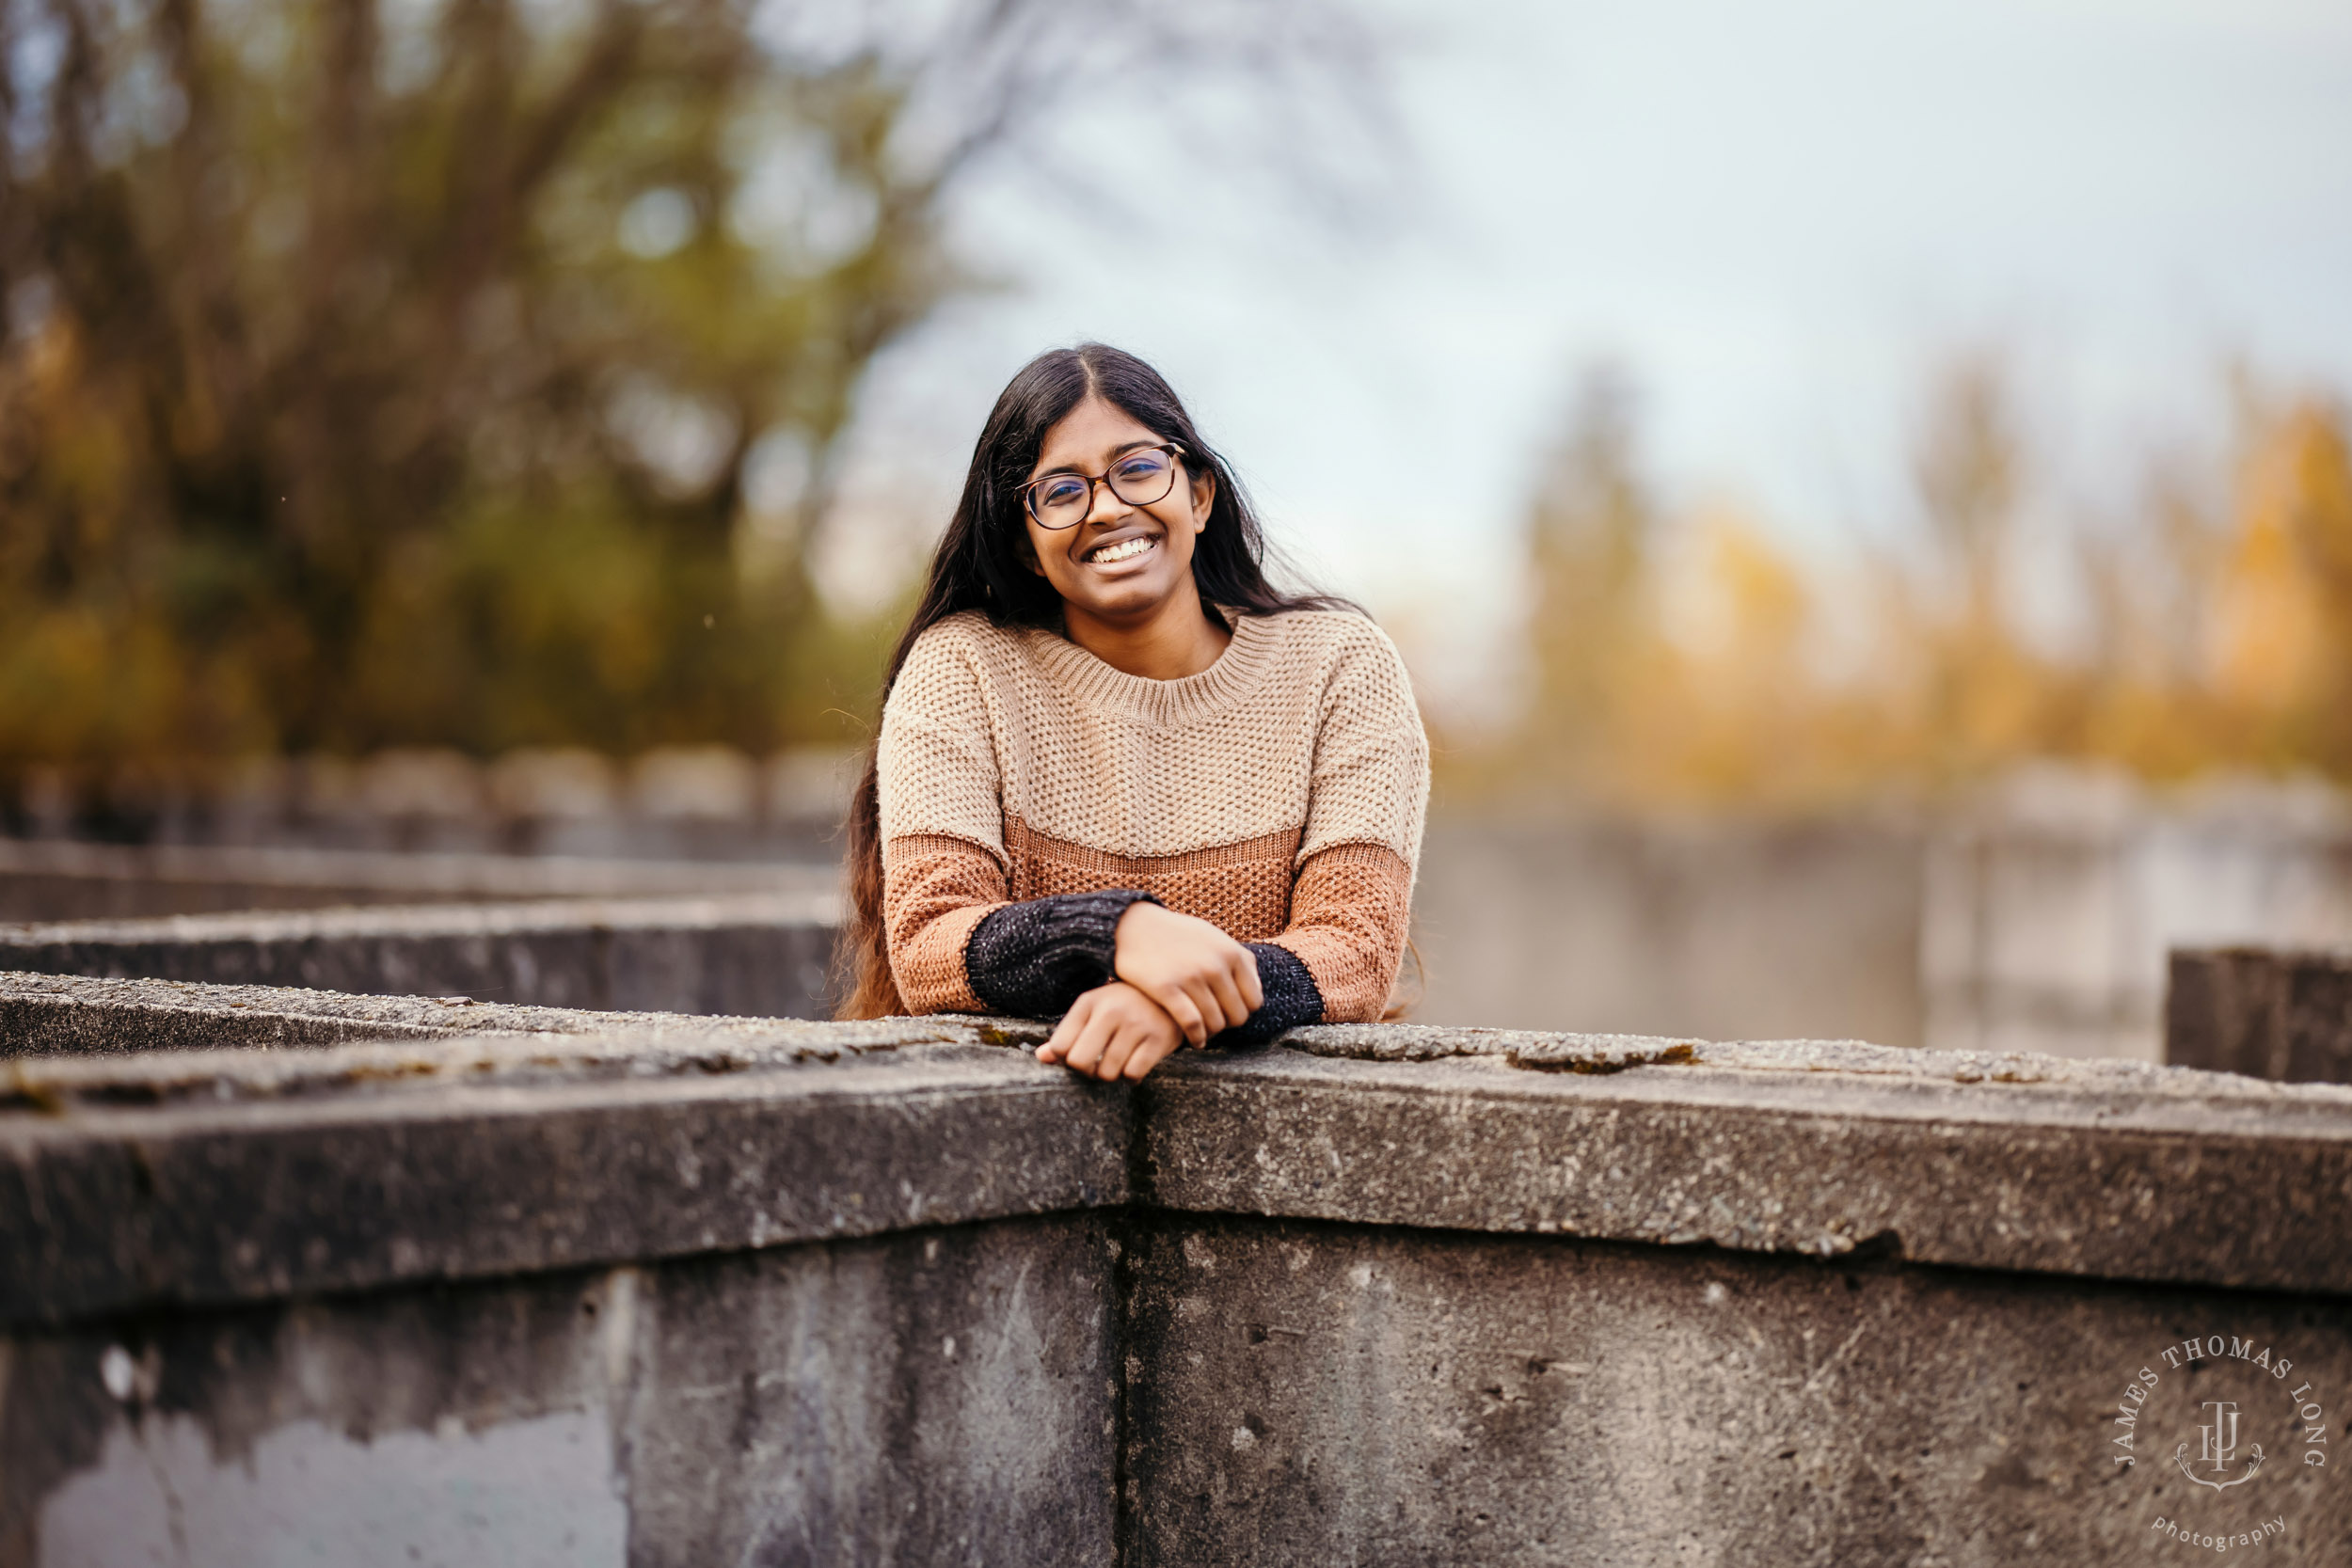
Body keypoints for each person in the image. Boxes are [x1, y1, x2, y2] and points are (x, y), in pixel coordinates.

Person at [838, 343, 1429, 1081]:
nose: (1109, 507)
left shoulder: (1340, 666)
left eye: (1139, 468)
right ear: (1026, 545)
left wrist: (1170, 1007)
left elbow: (1355, 948)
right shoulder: (962, 669)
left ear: (1200, 494)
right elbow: (930, 944)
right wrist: (1117, 933)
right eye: (1060, 491)